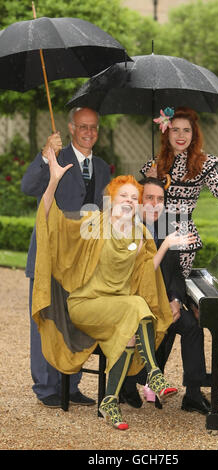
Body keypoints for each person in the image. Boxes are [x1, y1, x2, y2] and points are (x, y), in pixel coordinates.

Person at [31, 147, 196, 430]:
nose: (130, 201)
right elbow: (52, 221)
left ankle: (109, 402)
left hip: (117, 308)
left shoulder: (140, 233)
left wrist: (167, 244)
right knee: (135, 306)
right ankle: (154, 373)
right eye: (124, 196)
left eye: (135, 197)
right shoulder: (93, 224)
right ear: (111, 200)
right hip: (87, 305)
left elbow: (146, 272)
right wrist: (54, 180)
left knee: (130, 334)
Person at [21, 107, 111, 408]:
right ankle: (47, 388)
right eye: (83, 126)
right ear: (71, 128)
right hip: (51, 256)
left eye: (94, 127)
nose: (89, 132)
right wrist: (46, 157)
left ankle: (70, 385)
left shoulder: (102, 166)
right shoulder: (56, 157)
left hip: (84, 260)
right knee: (47, 318)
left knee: (77, 320)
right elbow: (28, 187)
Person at [120, 177, 210, 415]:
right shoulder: (124, 228)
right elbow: (133, 276)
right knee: (150, 325)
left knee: (191, 326)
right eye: (149, 198)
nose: (155, 204)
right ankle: (127, 382)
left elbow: (177, 273)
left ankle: (192, 394)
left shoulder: (167, 226)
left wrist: (176, 300)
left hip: (162, 303)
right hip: (133, 304)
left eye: (160, 199)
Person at [141, 106, 218, 278]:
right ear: (167, 133)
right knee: (149, 285)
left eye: (186, 130)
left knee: (174, 293)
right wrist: (146, 181)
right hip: (152, 233)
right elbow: (137, 200)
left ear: (194, 134)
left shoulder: (203, 163)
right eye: (175, 130)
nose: (181, 136)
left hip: (182, 236)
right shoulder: (156, 163)